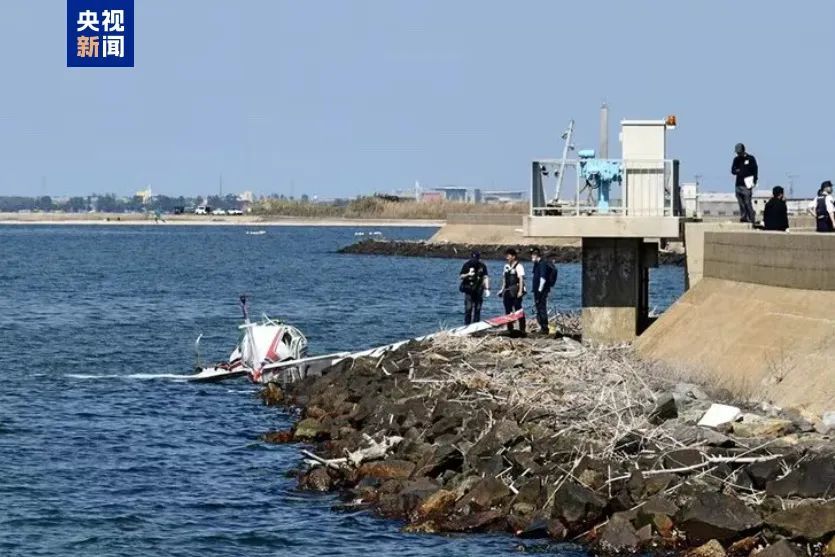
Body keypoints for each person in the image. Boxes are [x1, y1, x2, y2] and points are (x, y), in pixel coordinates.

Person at [530, 247, 557, 334]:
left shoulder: (542, 264)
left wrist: (539, 290)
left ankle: (544, 328)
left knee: (541, 308)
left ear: (536, 255)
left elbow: (543, 278)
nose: (531, 257)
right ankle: (542, 327)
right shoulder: (536, 264)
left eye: (532, 255)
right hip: (537, 290)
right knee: (538, 308)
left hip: (541, 290)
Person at [500, 248, 526, 336]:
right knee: (508, 310)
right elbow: (504, 279)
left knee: (518, 309)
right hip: (507, 291)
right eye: (506, 255)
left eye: (509, 255)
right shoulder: (506, 266)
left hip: (516, 290)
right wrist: (502, 289)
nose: (507, 257)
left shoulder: (519, 266)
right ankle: (510, 328)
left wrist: (520, 291)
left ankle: (522, 329)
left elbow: (521, 279)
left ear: (513, 257)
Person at [731, 143, 758, 224]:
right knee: (741, 203)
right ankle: (744, 217)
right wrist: (737, 171)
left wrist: (754, 181)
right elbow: (733, 170)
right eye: (737, 152)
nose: (738, 154)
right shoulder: (736, 159)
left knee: (747, 203)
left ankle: (751, 219)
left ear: (743, 150)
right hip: (738, 184)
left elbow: (755, 170)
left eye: (739, 152)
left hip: (747, 185)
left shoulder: (751, 158)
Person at [459, 251, 489, 325]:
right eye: (473, 258)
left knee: (478, 309)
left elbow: (486, 277)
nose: (474, 260)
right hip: (469, 290)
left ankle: (476, 324)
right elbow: (461, 276)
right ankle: (467, 324)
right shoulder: (466, 265)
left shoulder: (482, 266)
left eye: (475, 258)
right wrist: (468, 274)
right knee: (468, 309)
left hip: (478, 290)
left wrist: (487, 289)